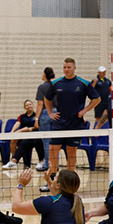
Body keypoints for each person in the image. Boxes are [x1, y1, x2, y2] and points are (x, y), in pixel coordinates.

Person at [42, 58, 100, 192]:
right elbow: (47, 99)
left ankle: (68, 183)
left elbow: (97, 99)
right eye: (64, 67)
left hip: (75, 124)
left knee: (71, 153)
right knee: (52, 151)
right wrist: (50, 113)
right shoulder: (56, 83)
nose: (66, 70)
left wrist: (84, 111)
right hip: (58, 124)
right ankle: (51, 180)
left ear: (74, 68)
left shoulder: (83, 83)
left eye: (68, 67)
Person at [3, 100, 45, 170]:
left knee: (34, 141)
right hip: (23, 135)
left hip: (34, 135)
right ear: (25, 107)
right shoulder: (22, 116)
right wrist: (12, 132)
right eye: (27, 105)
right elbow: (17, 123)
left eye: (30, 104)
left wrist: (28, 129)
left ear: (33, 105)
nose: (29, 106)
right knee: (13, 139)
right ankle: (13, 161)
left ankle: (41, 161)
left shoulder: (36, 115)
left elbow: (37, 126)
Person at [34, 67, 55, 170]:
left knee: (46, 141)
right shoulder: (55, 85)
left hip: (46, 113)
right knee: (54, 141)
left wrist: (36, 119)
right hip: (56, 113)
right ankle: (55, 164)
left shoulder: (42, 87)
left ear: (45, 75)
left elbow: (40, 103)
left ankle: (47, 164)